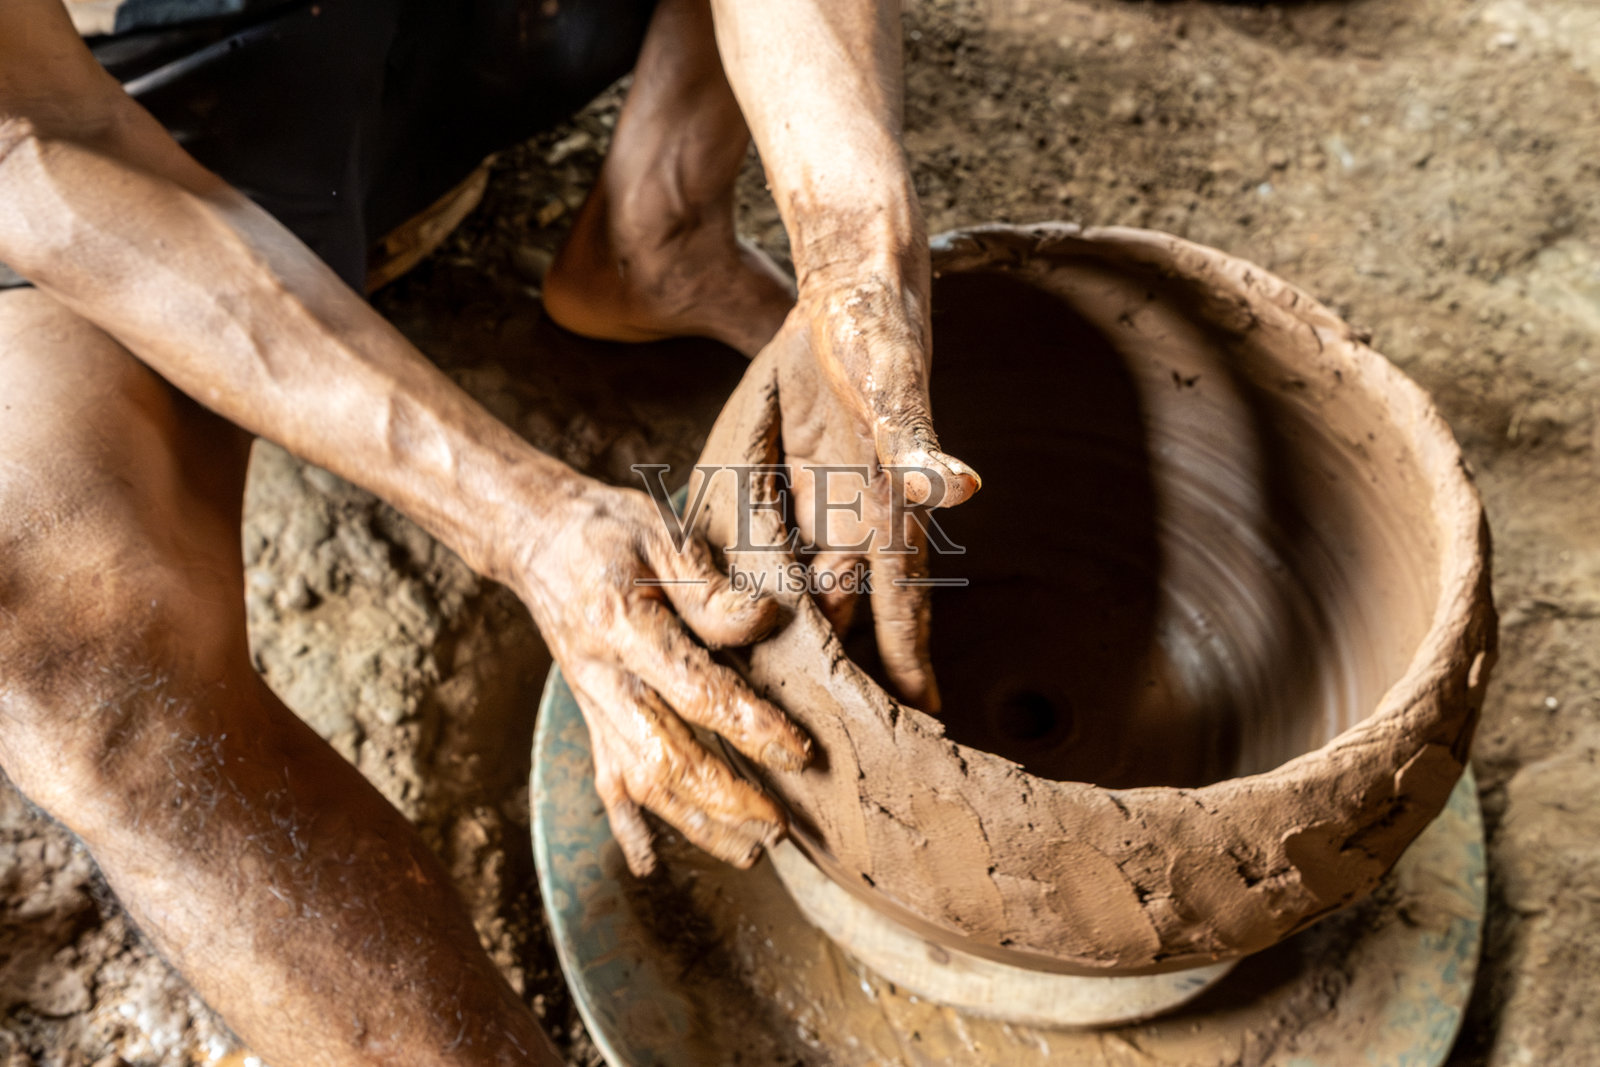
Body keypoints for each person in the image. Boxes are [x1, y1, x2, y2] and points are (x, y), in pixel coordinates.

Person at [0, 0, 979, 1062]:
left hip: (479, 34)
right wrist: (526, 518)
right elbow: (41, 138)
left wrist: (854, 252)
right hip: (136, 114)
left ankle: (661, 224)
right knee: (72, 647)